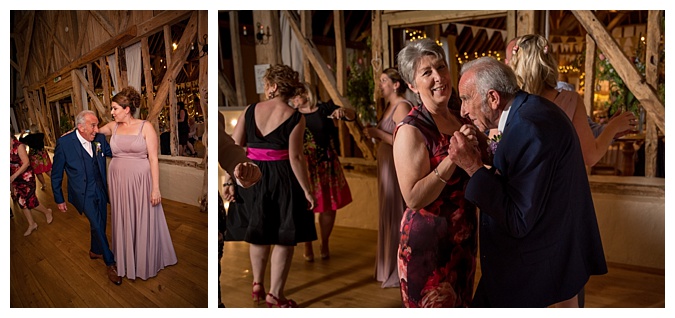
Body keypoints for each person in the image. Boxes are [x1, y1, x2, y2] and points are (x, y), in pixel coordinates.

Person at [449, 56, 608, 307]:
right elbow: (526, 175)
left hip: (533, 269)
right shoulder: (530, 110)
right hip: (547, 256)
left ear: (493, 98)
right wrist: (487, 152)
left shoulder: (528, 126)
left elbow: (518, 217)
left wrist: (472, 167)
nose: (463, 111)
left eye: (466, 99)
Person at [392, 39, 486, 307]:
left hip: (464, 240)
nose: (438, 78)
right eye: (427, 73)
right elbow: (413, 197)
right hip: (427, 246)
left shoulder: (461, 119)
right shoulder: (411, 129)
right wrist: (452, 159)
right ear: (412, 85)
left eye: (441, 67)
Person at [223, 64, 317, 308]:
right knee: (284, 236)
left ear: (274, 87)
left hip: (250, 175)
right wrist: (307, 190)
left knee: (259, 232)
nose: (265, 89)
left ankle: (257, 285)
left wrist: (231, 180)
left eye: (266, 84)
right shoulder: (296, 117)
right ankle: (275, 294)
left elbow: (233, 145)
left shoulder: (251, 109)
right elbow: (296, 158)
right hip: (283, 178)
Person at [506, 34, 635, 166]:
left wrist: (607, 129)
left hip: (519, 184)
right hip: (558, 184)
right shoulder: (569, 100)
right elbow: (590, 156)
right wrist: (613, 127)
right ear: (549, 63)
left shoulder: (508, 102)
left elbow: (494, 146)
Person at [96, 87, 177, 281]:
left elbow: (154, 160)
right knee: (123, 215)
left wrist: (155, 188)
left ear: (127, 109)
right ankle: (125, 256)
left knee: (142, 215)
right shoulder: (112, 126)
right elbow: (92, 130)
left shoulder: (145, 127)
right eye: (112, 109)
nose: (112, 112)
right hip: (117, 180)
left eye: (115, 108)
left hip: (141, 180)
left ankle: (143, 259)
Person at [51, 110, 122, 285]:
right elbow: (56, 174)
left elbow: (115, 152)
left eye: (97, 125)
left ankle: (94, 250)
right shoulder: (65, 143)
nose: (96, 129)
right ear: (80, 127)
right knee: (98, 225)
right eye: (93, 125)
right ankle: (110, 262)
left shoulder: (98, 139)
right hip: (83, 194)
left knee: (99, 223)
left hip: (100, 190)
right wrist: (59, 198)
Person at [292, 82, 353, 262]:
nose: (293, 98)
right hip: (303, 165)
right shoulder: (292, 115)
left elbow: (352, 116)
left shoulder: (324, 108)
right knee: (306, 207)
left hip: (326, 164)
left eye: (297, 94)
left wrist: (343, 111)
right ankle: (308, 243)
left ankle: (324, 241)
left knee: (328, 208)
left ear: (307, 93)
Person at [363, 67, 412, 288]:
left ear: (396, 84)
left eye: (384, 81)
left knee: (395, 211)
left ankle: (398, 267)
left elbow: (402, 140)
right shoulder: (388, 107)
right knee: (387, 211)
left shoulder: (402, 106)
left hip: (394, 166)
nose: (380, 85)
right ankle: (386, 266)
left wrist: (377, 133)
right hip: (384, 165)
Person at [217, 111, 262, 308]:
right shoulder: (251, 112)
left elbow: (227, 148)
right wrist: (230, 180)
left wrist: (241, 169)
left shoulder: (214, 115)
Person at [11, 133, 53, 236]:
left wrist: (14, 176)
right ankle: (32, 224)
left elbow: (26, 163)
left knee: (31, 200)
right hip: (16, 179)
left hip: (26, 177)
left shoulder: (19, 146)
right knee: (22, 202)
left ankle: (47, 212)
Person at [19, 124, 52, 190]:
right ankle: (55, 180)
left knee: (38, 171)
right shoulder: (41, 135)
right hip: (43, 154)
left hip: (34, 156)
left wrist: (22, 133)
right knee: (47, 169)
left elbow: (20, 140)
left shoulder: (29, 137)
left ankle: (44, 184)